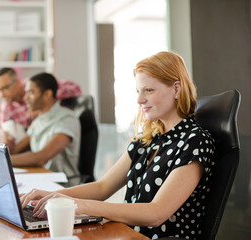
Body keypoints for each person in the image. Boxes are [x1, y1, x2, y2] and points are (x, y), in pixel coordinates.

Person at [20, 51, 216, 239]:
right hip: (127, 235)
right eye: (138, 91)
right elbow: (102, 187)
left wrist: (80, 205)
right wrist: (53, 195)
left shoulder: (195, 141)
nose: (140, 99)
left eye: (149, 90)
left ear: (176, 89)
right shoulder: (146, 139)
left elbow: (156, 213)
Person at [9, 72, 81, 182]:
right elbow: (16, 149)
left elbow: (41, 158)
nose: (26, 98)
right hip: (41, 178)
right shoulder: (38, 120)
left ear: (47, 94)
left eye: (31, 93)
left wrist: (0, 160)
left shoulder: (66, 119)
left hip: (63, 184)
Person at [0, 68, 82, 145]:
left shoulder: (33, 84)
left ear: (17, 83)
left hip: (51, 137)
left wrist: (43, 104)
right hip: (31, 143)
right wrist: (6, 139)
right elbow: (4, 136)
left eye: (5, 88)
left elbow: (75, 88)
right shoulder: (6, 107)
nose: (1, 95)